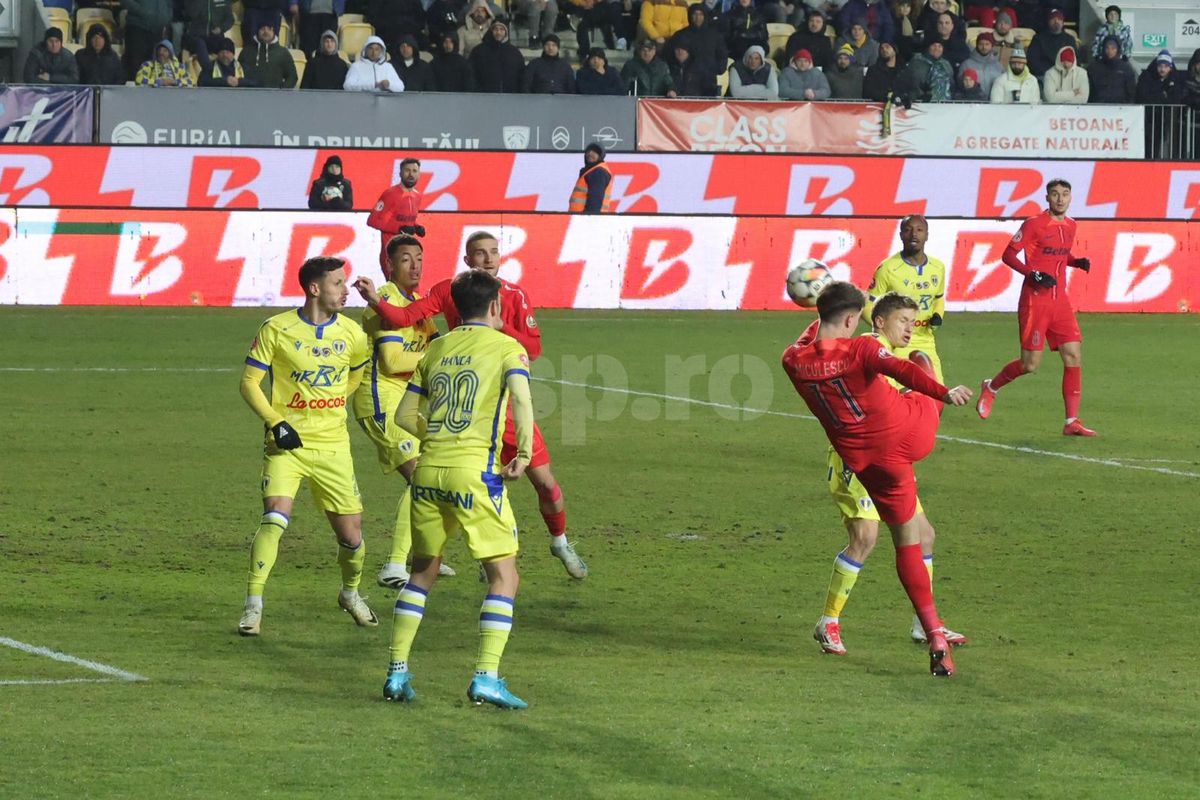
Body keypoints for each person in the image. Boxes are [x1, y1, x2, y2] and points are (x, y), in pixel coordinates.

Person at [354, 232, 589, 580]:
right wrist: (375, 299)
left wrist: (500, 327)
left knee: (545, 483)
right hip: (468, 408)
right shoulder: (451, 290)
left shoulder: (514, 296)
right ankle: (480, 557)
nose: (488, 259)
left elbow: (533, 349)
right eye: (480, 253)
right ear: (467, 260)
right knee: (472, 481)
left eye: (493, 252)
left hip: (504, 408)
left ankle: (560, 541)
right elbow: (404, 317)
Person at [782, 281, 973, 677]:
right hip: (900, 441)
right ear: (856, 320)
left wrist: (820, 310)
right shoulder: (864, 348)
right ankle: (846, 621)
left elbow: (810, 341)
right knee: (920, 369)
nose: (908, 327)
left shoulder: (793, 360)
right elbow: (900, 368)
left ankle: (929, 628)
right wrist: (942, 392)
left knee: (915, 537)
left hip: (867, 460)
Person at [380, 269, 535, 708]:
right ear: (495, 306)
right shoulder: (508, 348)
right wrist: (523, 454)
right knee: (504, 574)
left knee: (422, 571)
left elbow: (404, 416)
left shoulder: (436, 348)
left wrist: (437, 438)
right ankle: (486, 676)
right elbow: (522, 401)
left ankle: (397, 672)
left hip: (428, 472)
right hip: (475, 473)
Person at [237, 256, 377, 637]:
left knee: (352, 537)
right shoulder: (276, 329)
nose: (345, 290)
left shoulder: (352, 334)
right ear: (314, 288)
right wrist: (276, 421)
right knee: (275, 517)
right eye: (337, 283)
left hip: (333, 446)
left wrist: (333, 403)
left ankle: (350, 593)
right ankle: (253, 605)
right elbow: (249, 383)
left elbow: (355, 375)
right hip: (287, 444)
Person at [350, 236, 457, 588]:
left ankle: (426, 555)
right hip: (381, 403)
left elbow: (440, 346)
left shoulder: (417, 306)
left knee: (441, 472)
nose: (415, 265)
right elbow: (393, 361)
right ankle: (395, 566)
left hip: (407, 407)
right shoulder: (384, 303)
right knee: (421, 476)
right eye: (406, 259)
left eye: (419, 258)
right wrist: (436, 357)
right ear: (390, 265)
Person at [976, 179, 1095, 437]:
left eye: (1065, 194)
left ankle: (1071, 421)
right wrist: (1032, 274)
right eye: (1055, 194)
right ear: (1047, 198)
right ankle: (991, 386)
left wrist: (1076, 262)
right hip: (1035, 301)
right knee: (1030, 364)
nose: (1060, 199)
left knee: (1073, 356)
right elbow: (1008, 255)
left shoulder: (1071, 225)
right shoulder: (1033, 224)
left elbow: (1059, 254)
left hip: (1060, 301)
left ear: (1071, 197)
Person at [868, 215, 946, 381]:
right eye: (908, 230)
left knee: (936, 393)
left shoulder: (938, 267)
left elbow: (938, 298)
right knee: (896, 393)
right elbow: (868, 304)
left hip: (925, 340)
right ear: (901, 235)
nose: (914, 234)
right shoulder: (888, 268)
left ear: (927, 235)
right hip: (896, 342)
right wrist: (885, 329)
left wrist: (938, 316)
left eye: (919, 230)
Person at [367, 158, 424, 272]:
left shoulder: (417, 196)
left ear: (419, 174)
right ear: (400, 173)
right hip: (391, 253)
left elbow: (403, 218)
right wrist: (399, 228)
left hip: (407, 252)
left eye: (414, 171)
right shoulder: (390, 194)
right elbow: (373, 220)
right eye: (407, 170)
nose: (411, 174)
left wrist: (416, 226)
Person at [667, 3, 728, 87]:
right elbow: (669, 56)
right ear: (690, 16)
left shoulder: (714, 35)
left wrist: (718, 69)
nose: (698, 17)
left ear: (705, 16)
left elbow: (722, 54)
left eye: (701, 14)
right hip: (687, 80)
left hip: (709, 80)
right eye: (694, 14)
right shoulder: (680, 35)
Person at [469, 18, 526, 92]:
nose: (498, 32)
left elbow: (521, 75)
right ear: (491, 31)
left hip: (509, 96)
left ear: (506, 32)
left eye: (501, 29)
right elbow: (471, 74)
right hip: (484, 96)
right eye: (495, 29)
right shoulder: (478, 51)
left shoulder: (514, 52)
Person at [122, 0, 174, 80]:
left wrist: (166, 17)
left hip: (157, 30)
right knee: (135, 66)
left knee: (154, 67)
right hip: (137, 27)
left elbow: (169, 4)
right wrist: (142, 11)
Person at [239, 22, 299, 88]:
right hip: (249, 93)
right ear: (257, 31)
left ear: (274, 32)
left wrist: (281, 90)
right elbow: (238, 73)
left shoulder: (283, 53)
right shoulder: (246, 51)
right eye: (262, 29)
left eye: (269, 29)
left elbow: (292, 77)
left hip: (274, 94)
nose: (266, 32)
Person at [181, 0, 235, 67]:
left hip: (215, 36)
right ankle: (207, 69)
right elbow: (190, 14)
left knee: (227, 45)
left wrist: (221, 28)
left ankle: (228, 71)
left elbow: (230, 19)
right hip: (195, 36)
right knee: (200, 44)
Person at [895, 37, 949, 102]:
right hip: (919, 102)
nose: (936, 49)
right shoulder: (916, 62)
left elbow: (952, 84)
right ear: (928, 47)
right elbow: (911, 83)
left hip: (946, 104)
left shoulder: (946, 64)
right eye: (934, 45)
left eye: (939, 46)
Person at [1026, 8, 1076, 79]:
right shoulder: (1038, 39)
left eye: (1059, 19)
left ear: (1063, 22)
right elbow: (1033, 62)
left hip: (1065, 75)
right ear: (1048, 21)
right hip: (1044, 75)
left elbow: (1076, 60)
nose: (1056, 21)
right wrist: (1051, 73)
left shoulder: (1070, 39)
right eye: (1053, 18)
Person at [1087, 36, 1135, 104]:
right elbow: (1089, 90)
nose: (1110, 51)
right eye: (1107, 48)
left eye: (1113, 48)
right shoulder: (1093, 68)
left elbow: (1131, 92)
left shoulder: (1126, 68)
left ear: (1118, 49)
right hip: (1098, 107)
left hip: (1120, 107)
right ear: (1103, 49)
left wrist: (1127, 106)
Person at [957, 30, 1001, 97]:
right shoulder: (966, 64)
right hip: (973, 101)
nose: (984, 47)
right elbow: (960, 85)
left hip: (994, 102)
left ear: (991, 46)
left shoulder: (998, 66)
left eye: (987, 44)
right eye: (981, 44)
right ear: (977, 45)